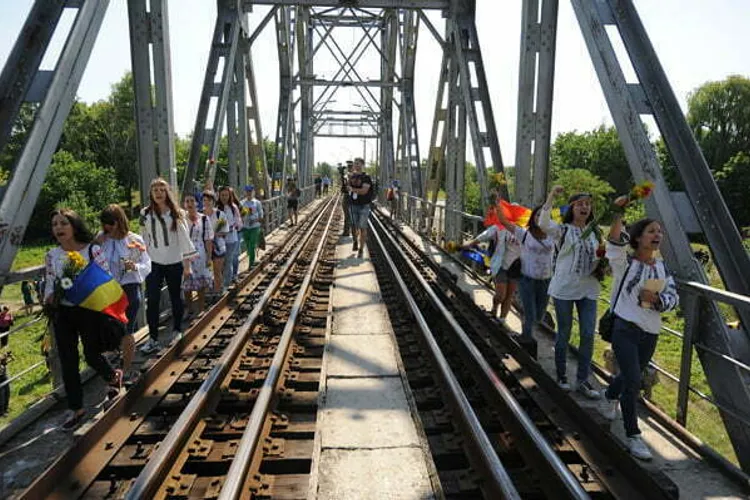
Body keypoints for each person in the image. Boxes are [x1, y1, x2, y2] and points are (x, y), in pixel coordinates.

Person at [602, 203, 678, 460]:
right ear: (637, 237)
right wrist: (618, 213)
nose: (657, 235)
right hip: (625, 327)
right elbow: (613, 241)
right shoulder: (625, 262)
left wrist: (657, 301)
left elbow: (673, 296)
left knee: (628, 376)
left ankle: (610, 394)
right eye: (651, 231)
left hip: (651, 331)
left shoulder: (661, 267)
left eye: (659, 231)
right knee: (634, 381)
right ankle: (633, 435)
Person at [44, 208, 123, 430]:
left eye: (63, 223)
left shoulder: (92, 250)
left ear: (74, 226)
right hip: (63, 312)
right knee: (68, 359)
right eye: (55, 224)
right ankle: (76, 407)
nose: (58, 228)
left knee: (91, 353)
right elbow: (50, 279)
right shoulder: (52, 255)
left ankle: (112, 375)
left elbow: (105, 276)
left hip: (88, 309)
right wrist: (50, 296)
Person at [538, 186, 602, 399]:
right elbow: (543, 223)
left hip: (589, 289)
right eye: (580, 203)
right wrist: (551, 196)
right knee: (564, 332)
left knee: (587, 334)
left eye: (588, 204)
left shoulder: (595, 231)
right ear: (572, 208)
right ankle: (561, 375)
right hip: (564, 288)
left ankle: (583, 380)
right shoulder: (563, 229)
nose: (585, 207)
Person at [140, 178, 196, 354]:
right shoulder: (145, 214)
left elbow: (184, 240)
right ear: (151, 193)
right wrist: (140, 261)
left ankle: (177, 330)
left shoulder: (176, 213)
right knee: (153, 300)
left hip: (173, 261)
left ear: (167, 192)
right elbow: (143, 239)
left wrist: (187, 265)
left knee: (175, 296)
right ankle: (153, 338)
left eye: (161, 190)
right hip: (154, 262)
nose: (158, 193)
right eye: (155, 190)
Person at [98, 204, 151, 381]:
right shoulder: (102, 241)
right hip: (108, 291)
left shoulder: (134, 240)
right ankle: (112, 368)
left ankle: (126, 369)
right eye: (105, 224)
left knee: (126, 331)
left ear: (120, 221)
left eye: (111, 223)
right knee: (108, 331)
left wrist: (134, 266)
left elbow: (146, 265)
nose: (108, 228)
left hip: (129, 289)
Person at [495, 205, 554, 340]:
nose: (541, 218)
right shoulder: (525, 233)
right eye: (538, 215)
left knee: (539, 315)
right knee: (530, 313)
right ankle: (526, 338)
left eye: (544, 215)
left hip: (546, 280)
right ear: (533, 218)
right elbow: (504, 222)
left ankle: (526, 334)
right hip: (527, 279)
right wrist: (498, 206)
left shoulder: (553, 235)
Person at [461, 216, 522, 324]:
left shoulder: (523, 231)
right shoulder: (499, 228)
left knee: (509, 295)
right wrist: (470, 244)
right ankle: (494, 307)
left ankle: (502, 319)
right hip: (500, 265)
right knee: (501, 295)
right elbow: (484, 235)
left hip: (516, 266)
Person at [183, 193, 215, 314]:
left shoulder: (204, 219)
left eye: (192, 201)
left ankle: (201, 309)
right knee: (187, 284)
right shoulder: (181, 219)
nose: (190, 204)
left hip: (200, 253)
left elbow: (208, 239)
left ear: (197, 203)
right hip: (185, 254)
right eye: (187, 201)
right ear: (184, 204)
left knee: (201, 283)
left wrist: (209, 257)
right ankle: (190, 309)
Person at [348, 157, 373, 258]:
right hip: (353, 204)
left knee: (363, 227)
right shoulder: (351, 177)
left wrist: (352, 189)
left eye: (358, 163)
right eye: (355, 163)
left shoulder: (366, 177)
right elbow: (347, 189)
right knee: (354, 226)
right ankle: (355, 241)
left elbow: (364, 191)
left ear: (362, 165)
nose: (356, 165)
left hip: (364, 206)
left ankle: (361, 249)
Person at [217, 186, 242, 286]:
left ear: (229, 195)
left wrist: (232, 227)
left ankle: (226, 285)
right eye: (222, 195)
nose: (224, 197)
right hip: (219, 241)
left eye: (226, 195)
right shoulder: (217, 208)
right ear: (219, 196)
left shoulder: (233, 207)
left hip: (231, 239)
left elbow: (239, 223)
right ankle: (223, 282)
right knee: (221, 263)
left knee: (228, 261)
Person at [202, 191, 226, 294]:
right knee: (205, 271)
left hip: (218, 246)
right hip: (204, 247)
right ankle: (207, 293)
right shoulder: (199, 215)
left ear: (213, 201)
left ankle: (217, 292)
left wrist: (212, 235)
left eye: (209, 200)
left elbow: (225, 231)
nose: (207, 202)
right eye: (204, 200)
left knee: (217, 271)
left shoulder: (220, 214)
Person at [240, 185, 264, 268]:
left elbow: (261, 215)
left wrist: (255, 220)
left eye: (250, 191)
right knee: (247, 244)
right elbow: (240, 215)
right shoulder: (242, 203)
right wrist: (243, 214)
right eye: (247, 191)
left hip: (255, 226)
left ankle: (251, 264)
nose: (249, 193)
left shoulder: (257, 203)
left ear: (253, 192)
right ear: (245, 192)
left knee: (252, 244)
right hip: (245, 227)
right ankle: (251, 255)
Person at [340, 162, 352, 236]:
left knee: (348, 216)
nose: (349, 168)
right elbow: (343, 186)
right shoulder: (346, 176)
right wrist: (342, 175)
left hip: (350, 197)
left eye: (350, 167)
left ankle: (347, 231)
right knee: (347, 215)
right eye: (348, 167)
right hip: (346, 196)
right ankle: (346, 231)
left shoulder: (353, 176)